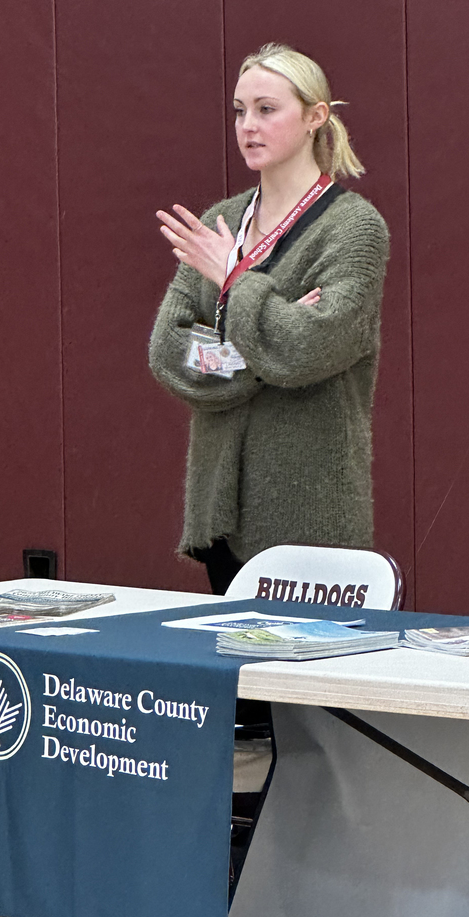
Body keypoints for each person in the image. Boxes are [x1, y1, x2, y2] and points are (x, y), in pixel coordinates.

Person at [150, 43, 390, 596]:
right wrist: (258, 347)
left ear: (315, 117)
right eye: (239, 110)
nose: (248, 126)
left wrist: (233, 281)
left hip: (309, 516)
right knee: (231, 678)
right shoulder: (222, 221)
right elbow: (168, 349)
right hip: (220, 515)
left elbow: (314, 345)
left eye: (266, 109)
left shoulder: (353, 229)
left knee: (298, 681)